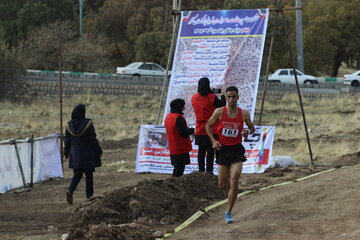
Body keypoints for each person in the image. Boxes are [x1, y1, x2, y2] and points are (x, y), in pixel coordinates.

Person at [205, 86, 255, 223]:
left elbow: (252, 128)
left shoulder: (244, 114)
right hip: (223, 150)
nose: (232, 99)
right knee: (222, 184)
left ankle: (228, 212)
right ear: (226, 98)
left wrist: (247, 132)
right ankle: (228, 194)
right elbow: (207, 126)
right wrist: (213, 141)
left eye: (234, 96)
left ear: (238, 97)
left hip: (237, 150)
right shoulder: (219, 112)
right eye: (229, 97)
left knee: (234, 181)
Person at [64, 104, 103, 204]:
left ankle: (70, 190)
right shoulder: (88, 124)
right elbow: (92, 139)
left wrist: (66, 153)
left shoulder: (69, 125)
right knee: (89, 175)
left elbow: (67, 141)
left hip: (75, 154)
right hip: (87, 154)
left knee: (77, 174)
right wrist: (98, 150)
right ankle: (89, 196)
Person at [191, 77, 226, 174]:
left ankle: (200, 170)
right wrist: (222, 95)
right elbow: (222, 105)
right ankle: (209, 171)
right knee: (210, 152)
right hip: (211, 128)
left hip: (199, 128)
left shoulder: (194, 97)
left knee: (201, 152)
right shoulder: (212, 97)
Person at [164, 99, 194, 177]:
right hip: (180, 147)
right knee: (179, 170)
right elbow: (184, 133)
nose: (184, 108)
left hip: (173, 147)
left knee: (176, 168)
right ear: (180, 107)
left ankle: (173, 183)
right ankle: (175, 185)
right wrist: (192, 130)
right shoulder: (179, 118)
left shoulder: (168, 117)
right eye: (183, 106)